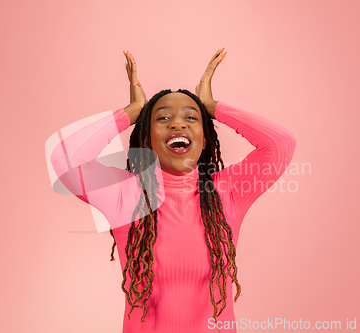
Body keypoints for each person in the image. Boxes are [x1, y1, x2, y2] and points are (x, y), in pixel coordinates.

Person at [49, 48, 297, 332]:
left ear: (204, 140)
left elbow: (280, 144)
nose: (178, 123)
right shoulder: (126, 196)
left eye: (191, 118)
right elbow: (65, 160)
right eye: (163, 118)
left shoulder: (228, 191)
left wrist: (212, 106)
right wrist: (129, 113)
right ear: (147, 138)